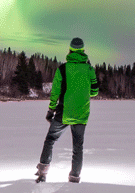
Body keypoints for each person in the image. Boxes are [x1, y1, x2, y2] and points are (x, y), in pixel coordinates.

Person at [36, 37, 99, 183]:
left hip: (63, 112)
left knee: (50, 139)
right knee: (78, 147)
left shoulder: (62, 69)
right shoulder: (89, 69)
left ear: (70, 50)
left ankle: (42, 172)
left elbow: (55, 92)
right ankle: (75, 177)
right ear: (83, 50)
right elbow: (94, 91)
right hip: (81, 113)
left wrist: (51, 110)